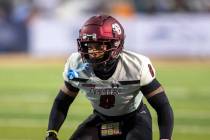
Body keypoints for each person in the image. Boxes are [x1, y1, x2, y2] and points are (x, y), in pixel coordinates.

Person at [45, 15, 174, 140]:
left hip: (135, 120)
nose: (92, 52)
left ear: (115, 45)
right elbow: (62, 102)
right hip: (101, 120)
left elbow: (162, 105)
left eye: (99, 46)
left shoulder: (135, 65)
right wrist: (51, 132)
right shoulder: (76, 65)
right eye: (89, 46)